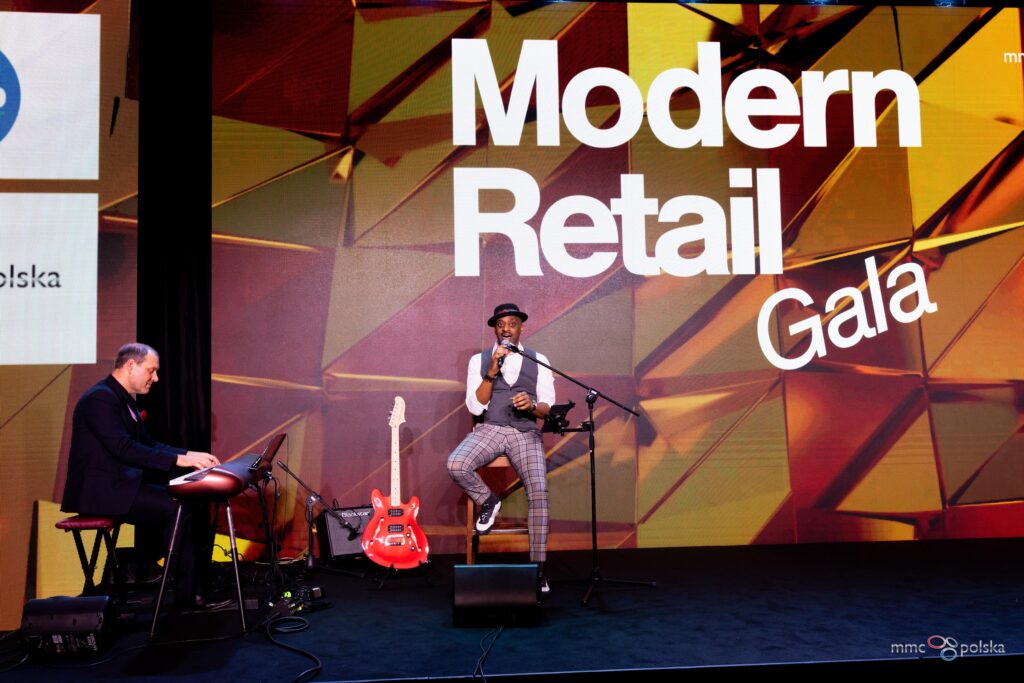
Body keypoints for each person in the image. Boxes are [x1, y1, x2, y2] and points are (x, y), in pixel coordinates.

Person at [61, 342, 226, 610]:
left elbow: (148, 444)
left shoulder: (122, 399)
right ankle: (186, 595)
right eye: (151, 370)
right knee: (176, 508)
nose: (155, 378)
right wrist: (180, 460)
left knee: (187, 502)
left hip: (119, 486)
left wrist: (189, 453)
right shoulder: (100, 399)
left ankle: (191, 587)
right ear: (130, 366)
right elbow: (123, 448)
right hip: (102, 492)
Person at [447, 304, 555, 592]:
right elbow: (475, 407)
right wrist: (491, 372)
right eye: (501, 324)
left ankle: (538, 570)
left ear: (521, 327)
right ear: (495, 329)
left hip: (524, 432)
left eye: (512, 323)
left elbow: (547, 407)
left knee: (539, 492)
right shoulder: (480, 360)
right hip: (491, 429)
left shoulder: (539, 360)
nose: (506, 328)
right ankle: (489, 501)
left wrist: (532, 406)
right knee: (456, 463)